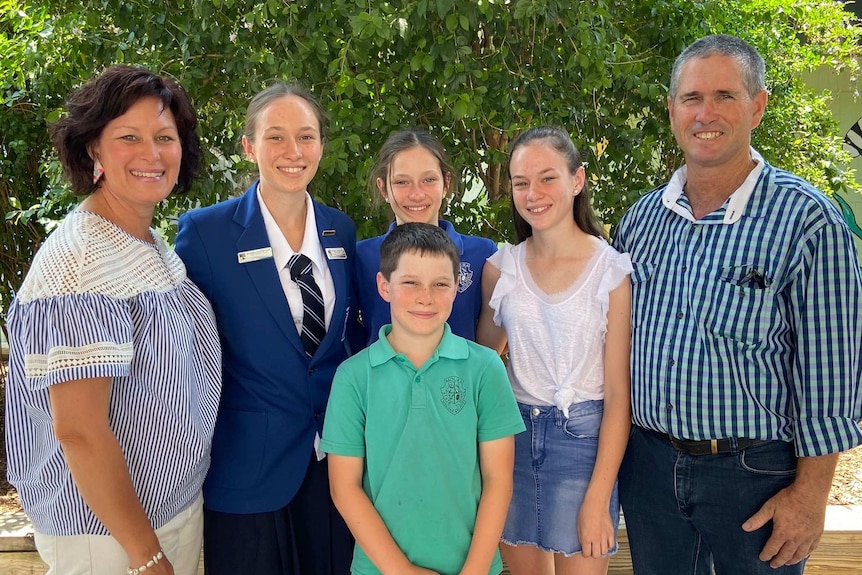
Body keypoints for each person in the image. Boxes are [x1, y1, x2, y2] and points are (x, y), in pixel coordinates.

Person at [613, 34, 862, 575]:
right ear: (672, 108)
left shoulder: (808, 222)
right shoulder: (641, 221)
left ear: (757, 105)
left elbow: (832, 375)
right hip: (649, 470)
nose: (706, 114)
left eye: (724, 96)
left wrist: (810, 499)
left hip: (754, 475)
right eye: (691, 98)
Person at [4, 64, 221, 575]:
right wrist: (146, 557)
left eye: (164, 137)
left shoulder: (147, 244)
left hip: (167, 513)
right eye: (129, 137)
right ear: (93, 149)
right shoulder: (81, 260)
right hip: (107, 535)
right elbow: (79, 431)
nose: (152, 154)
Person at [174, 82, 356, 575]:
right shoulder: (205, 233)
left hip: (335, 468)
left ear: (321, 145)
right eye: (275, 137)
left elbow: (349, 342)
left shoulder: (342, 231)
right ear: (249, 146)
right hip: (247, 472)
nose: (293, 152)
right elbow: (183, 348)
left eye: (306, 136)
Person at [321, 222, 525, 575]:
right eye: (410, 282)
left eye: (440, 284)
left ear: (457, 288)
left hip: (471, 566)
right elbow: (345, 488)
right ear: (384, 286)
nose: (425, 297)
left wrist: (474, 570)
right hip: (380, 569)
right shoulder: (354, 377)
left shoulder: (485, 368)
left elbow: (498, 479)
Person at [476, 126, 632, 575]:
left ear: (577, 180)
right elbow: (484, 362)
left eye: (547, 178)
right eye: (521, 182)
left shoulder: (611, 271)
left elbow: (620, 396)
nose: (533, 193)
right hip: (513, 440)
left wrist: (599, 496)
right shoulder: (500, 268)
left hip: (584, 445)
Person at [356, 129, 497, 344]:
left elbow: (491, 341)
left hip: (459, 378)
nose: (417, 194)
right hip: (380, 377)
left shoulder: (483, 255)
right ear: (383, 188)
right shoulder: (361, 257)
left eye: (429, 180)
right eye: (402, 182)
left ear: (446, 183)